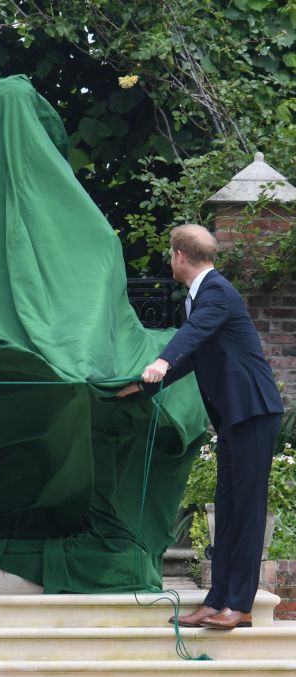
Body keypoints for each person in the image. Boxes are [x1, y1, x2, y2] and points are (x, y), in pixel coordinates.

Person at [118, 224, 283, 629]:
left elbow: (190, 337)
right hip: (235, 415)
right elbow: (195, 354)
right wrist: (141, 387)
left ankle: (239, 606)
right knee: (227, 509)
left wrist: (162, 361)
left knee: (245, 509)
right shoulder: (202, 295)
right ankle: (217, 601)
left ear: (179, 255)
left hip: (254, 411)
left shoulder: (215, 293)